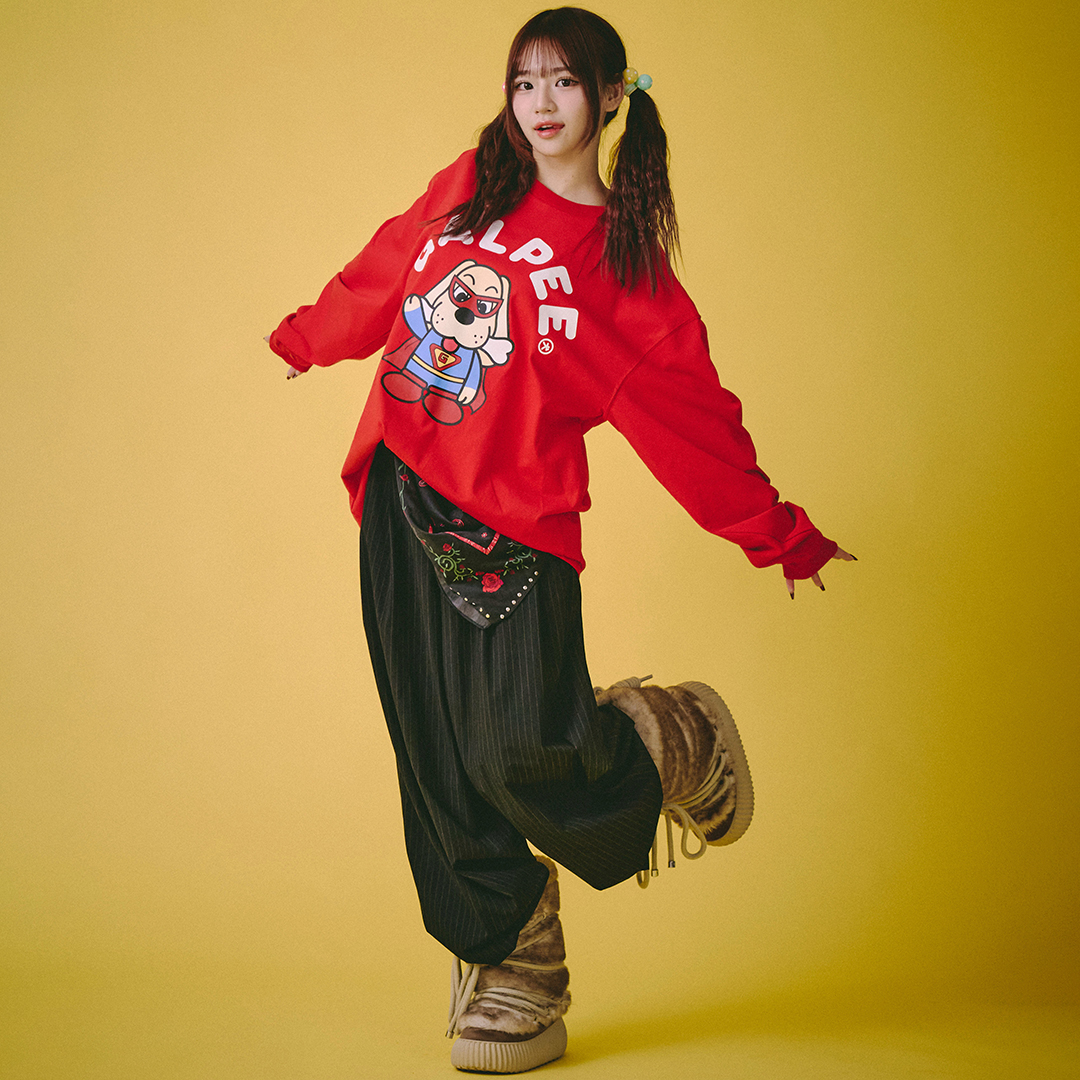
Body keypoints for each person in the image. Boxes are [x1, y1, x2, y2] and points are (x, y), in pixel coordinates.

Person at [266, 7, 854, 1072]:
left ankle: (672, 738)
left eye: (565, 82)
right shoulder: (470, 187)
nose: (540, 104)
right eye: (523, 82)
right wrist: (314, 335)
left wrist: (776, 532)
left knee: (518, 750)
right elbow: (388, 263)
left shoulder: (624, 270)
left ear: (613, 96)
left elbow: (693, 420)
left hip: (514, 528)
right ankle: (513, 963)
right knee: (435, 756)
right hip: (402, 489)